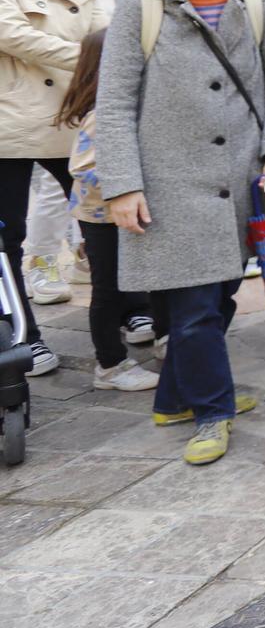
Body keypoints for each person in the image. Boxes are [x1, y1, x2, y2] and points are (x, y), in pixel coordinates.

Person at [96, 0, 265, 465]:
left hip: (241, 187)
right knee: (193, 310)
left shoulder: (257, 6)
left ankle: (173, 398)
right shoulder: (141, 6)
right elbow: (112, 104)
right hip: (167, 185)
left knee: (221, 295)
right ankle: (214, 410)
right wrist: (121, 185)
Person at [0, 0, 113, 374]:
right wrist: (88, 58)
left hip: (74, 114)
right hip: (12, 119)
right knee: (9, 239)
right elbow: (8, 31)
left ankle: (128, 314)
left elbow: (106, 28)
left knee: (109, 218)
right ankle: (24, 335)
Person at [57, 28, 158, 391]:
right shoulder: (103, 113)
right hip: (103, 217)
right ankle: (110, 365)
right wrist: (129, 184)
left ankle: (159, 336)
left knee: (142, 280)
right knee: (108, 289)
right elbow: (84, 169)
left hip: (124, 212)